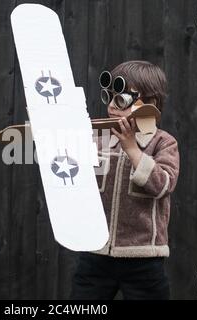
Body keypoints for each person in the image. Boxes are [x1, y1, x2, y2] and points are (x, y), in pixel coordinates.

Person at [70, 60, 180, 300]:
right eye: (110, 97)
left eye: (121, 99)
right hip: (96, 252)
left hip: (143, 257)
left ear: (150, 104)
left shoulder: (163, 143)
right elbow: (70, 168)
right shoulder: (96, 139)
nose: (112, 106)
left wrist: (132, 148)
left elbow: (163, 184)